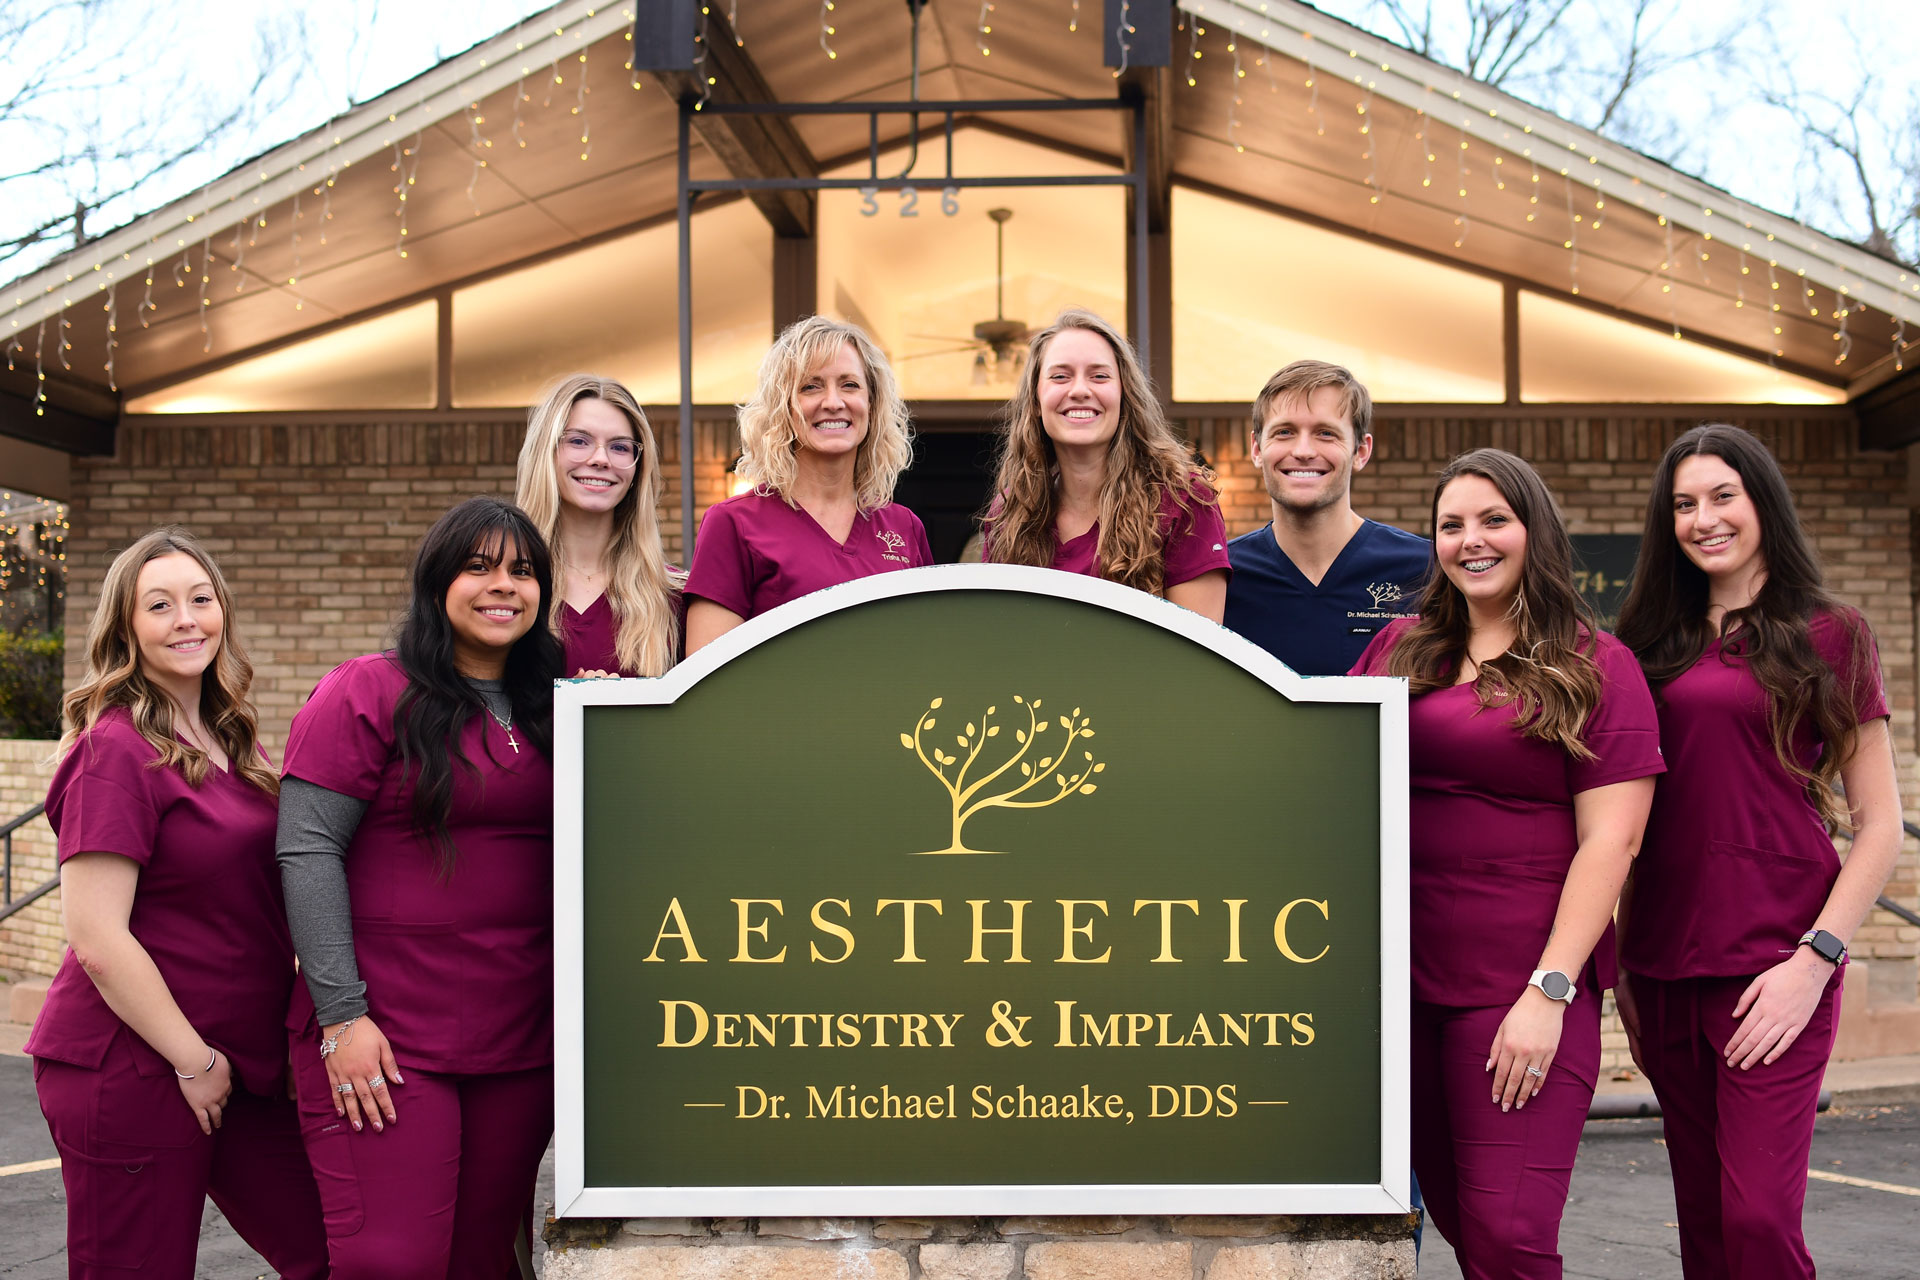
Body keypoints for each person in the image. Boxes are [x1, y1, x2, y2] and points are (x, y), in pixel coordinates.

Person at [1350, 449, 1663, 1278]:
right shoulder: (1400, 648)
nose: (1471, 541)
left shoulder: (1596, 664)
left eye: (1494, 520)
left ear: (1535, 531)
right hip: (1399, 988)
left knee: (1509, 1235)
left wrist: (1549, 991)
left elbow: (1613, 841)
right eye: (1451, 525)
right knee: (1460, 1221)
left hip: (1516, 986)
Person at [1614, 424, 1901, 1280]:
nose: (1704, 519)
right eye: (1684, 504)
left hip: (1777, 967)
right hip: (1661, 964)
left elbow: (1881, 825)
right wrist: (1620, 968)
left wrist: (1815, 960)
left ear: (1762, 500)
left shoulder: (1831, 632)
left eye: (1722, 496)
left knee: (1758, 1221)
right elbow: (1617, 820)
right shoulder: (1646, 643)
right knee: (1705, 1223)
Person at [27, 528, 326, 1279]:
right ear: (126, 628)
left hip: (241, 1064)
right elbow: (97, 938)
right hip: (137, 1063)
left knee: (333, 1251)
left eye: (200, 599)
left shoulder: (232, 739)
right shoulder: (113, 751)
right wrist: (194, 1062)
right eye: (159, 605)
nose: (186, 619)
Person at [277, 496, 563, 1279]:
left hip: (520, 1040)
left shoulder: (556, 706)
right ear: (437, 582)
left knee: (483, 1259)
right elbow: (307, 849)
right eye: (478, 567)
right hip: (387, 1033)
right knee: (392, 1261)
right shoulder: (368, 690)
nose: (503, 586)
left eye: (522, 571)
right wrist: (341, 1017)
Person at [684, 315, 931, 653]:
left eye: (849, 385)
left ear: (872, 404)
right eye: (811, 387)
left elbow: (925, 652)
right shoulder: (733, 524)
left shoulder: (904, 528)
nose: (833, 402)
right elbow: (707, 672)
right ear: (783, 407)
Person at [982, 308, 1230, 621]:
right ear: (1035, 400)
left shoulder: (1184, 501)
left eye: (1099, 376)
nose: (1080, 390)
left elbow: (1197, 645)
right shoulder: (1011, 513)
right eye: (1060, 376)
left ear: (1125, 395)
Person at [1224, 359, 1429, 674]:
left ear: (1361, 451)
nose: (1303, 450)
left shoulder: (1425, 569)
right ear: (1256, 448)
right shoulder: (1223, 577)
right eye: (1284, 432)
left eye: (1326, 433)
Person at [516, 372, 685, 677]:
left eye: (620, 447)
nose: (601, 459)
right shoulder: (504, 587)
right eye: (578, 441)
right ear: (546, 452)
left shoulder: (675, 598)